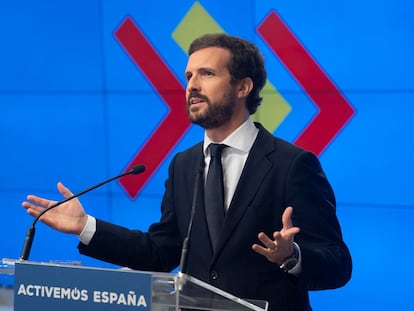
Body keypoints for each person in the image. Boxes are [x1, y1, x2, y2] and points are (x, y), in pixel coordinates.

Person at [23, 33, 352, 310]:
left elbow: (338, 264)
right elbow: (160, 252)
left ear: (243, 87)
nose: (192, 86)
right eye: (189, 77)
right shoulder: (184, 164)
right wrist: (86, 227)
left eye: (207, 74)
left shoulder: (291, 163)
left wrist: (290, 255)